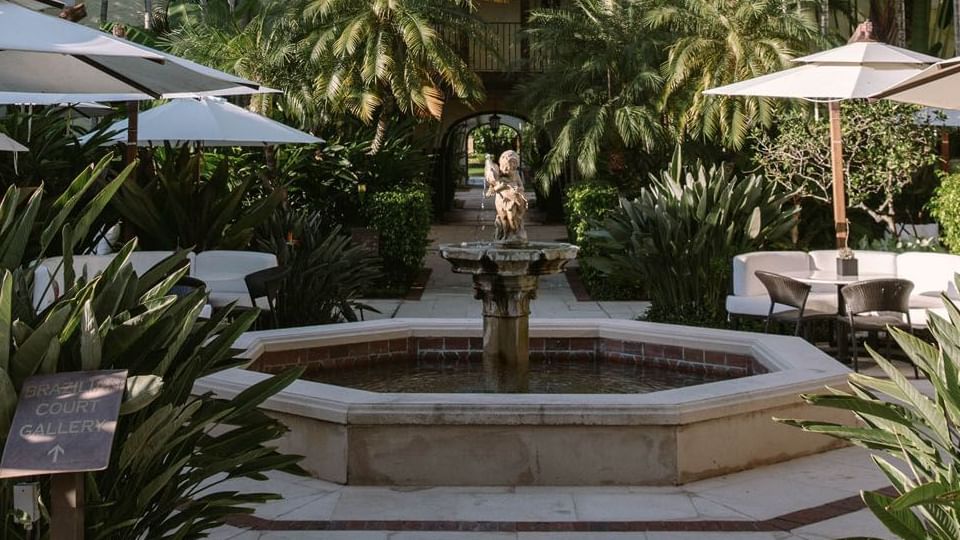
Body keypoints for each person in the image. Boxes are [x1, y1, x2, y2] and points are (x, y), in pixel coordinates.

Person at [484, 150, 528, 243]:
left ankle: (515, 234)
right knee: (503, 218)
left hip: (513, 199)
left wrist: (518, 189)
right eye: (510, 163)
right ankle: (504, 235)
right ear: (504, 163)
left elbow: (522, 187)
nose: (512, 165)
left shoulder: (516, 174)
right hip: (501, 199)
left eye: (514, 163)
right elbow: (493, 185)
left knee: (512, 218)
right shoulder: (499, 174)